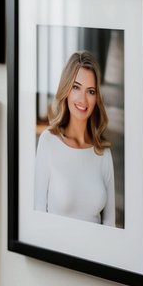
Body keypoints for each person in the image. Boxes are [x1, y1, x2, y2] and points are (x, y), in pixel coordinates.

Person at [34, 51, 116, 225]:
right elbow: (38, 210)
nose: (83, 99)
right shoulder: (48, 142)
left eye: (91, 91)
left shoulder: (103, 152)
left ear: (97, 98)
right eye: (76, 87)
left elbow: (110, 222)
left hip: (96, 251)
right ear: (66, 90)